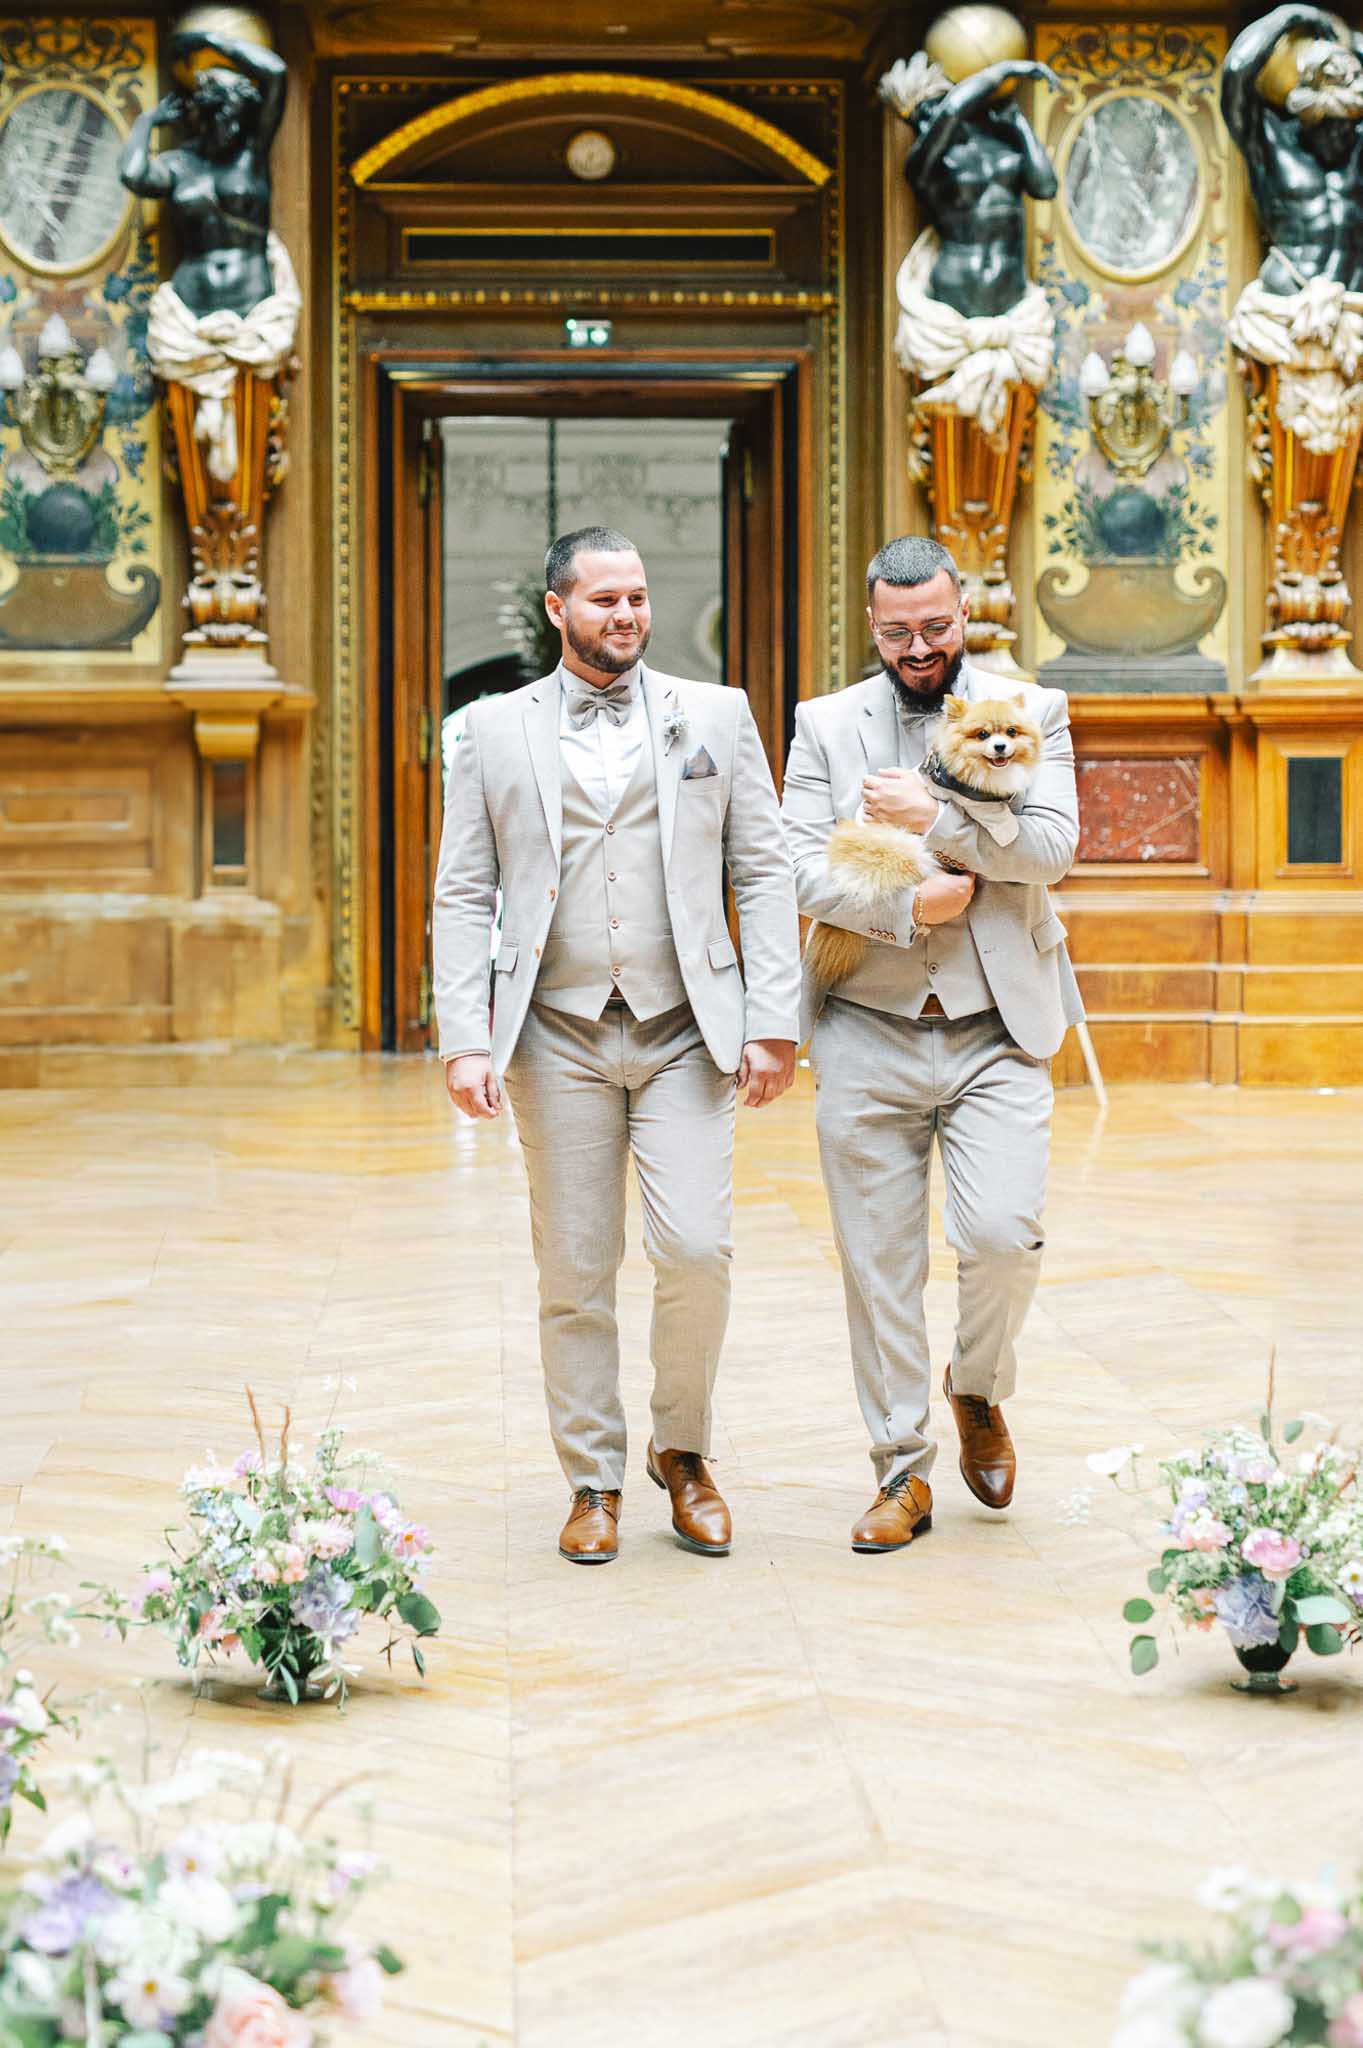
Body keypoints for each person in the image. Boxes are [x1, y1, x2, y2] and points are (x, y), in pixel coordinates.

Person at [434, 527, 800, 1566]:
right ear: (557, 608)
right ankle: (592, 1476)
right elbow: (465, 889)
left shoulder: (717, 717)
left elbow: (764, 871)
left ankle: (682, 1451)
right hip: (554, 1034)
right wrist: (467, 1037)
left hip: (689, 1028)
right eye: (604, 600)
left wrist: (771, 1018)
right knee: (575, 1263)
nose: (627, 615)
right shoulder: (492, 731)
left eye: (637, 597)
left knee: (695, 1247)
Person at [781, 535, 1082, 1555]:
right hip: (867, 1021)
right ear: (872, 625)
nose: (919, 646)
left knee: (1002, 1233)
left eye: (936, 626)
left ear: (965, 613)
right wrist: (912, 906)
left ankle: (978, 1387)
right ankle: (900, 1470)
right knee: (879, 1261)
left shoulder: (1032, 709)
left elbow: (1050, 849)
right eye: (898, 630)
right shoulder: (822, 725)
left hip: (999, 1023)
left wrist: (943, 815)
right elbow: (793, 869)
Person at [119, 25, 287, 320]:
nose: (231, 125)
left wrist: (210, 40)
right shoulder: (179, 164)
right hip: (191, 303)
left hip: (252, 301)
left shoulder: (252, 154)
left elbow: (276, 73)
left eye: (237, 113)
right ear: (204, 115)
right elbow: (133, 175)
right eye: (222, 114)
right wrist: (146, 122)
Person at [1221, 5, 1363, 298]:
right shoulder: (1272, 143)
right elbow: (1237, 68)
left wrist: (1344, 41)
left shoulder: (1357, 148)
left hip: (1353, 305)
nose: (1342, 130)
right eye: (1332, 121)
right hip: (1286, 298)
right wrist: (1296, 14)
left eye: (1349, 121)